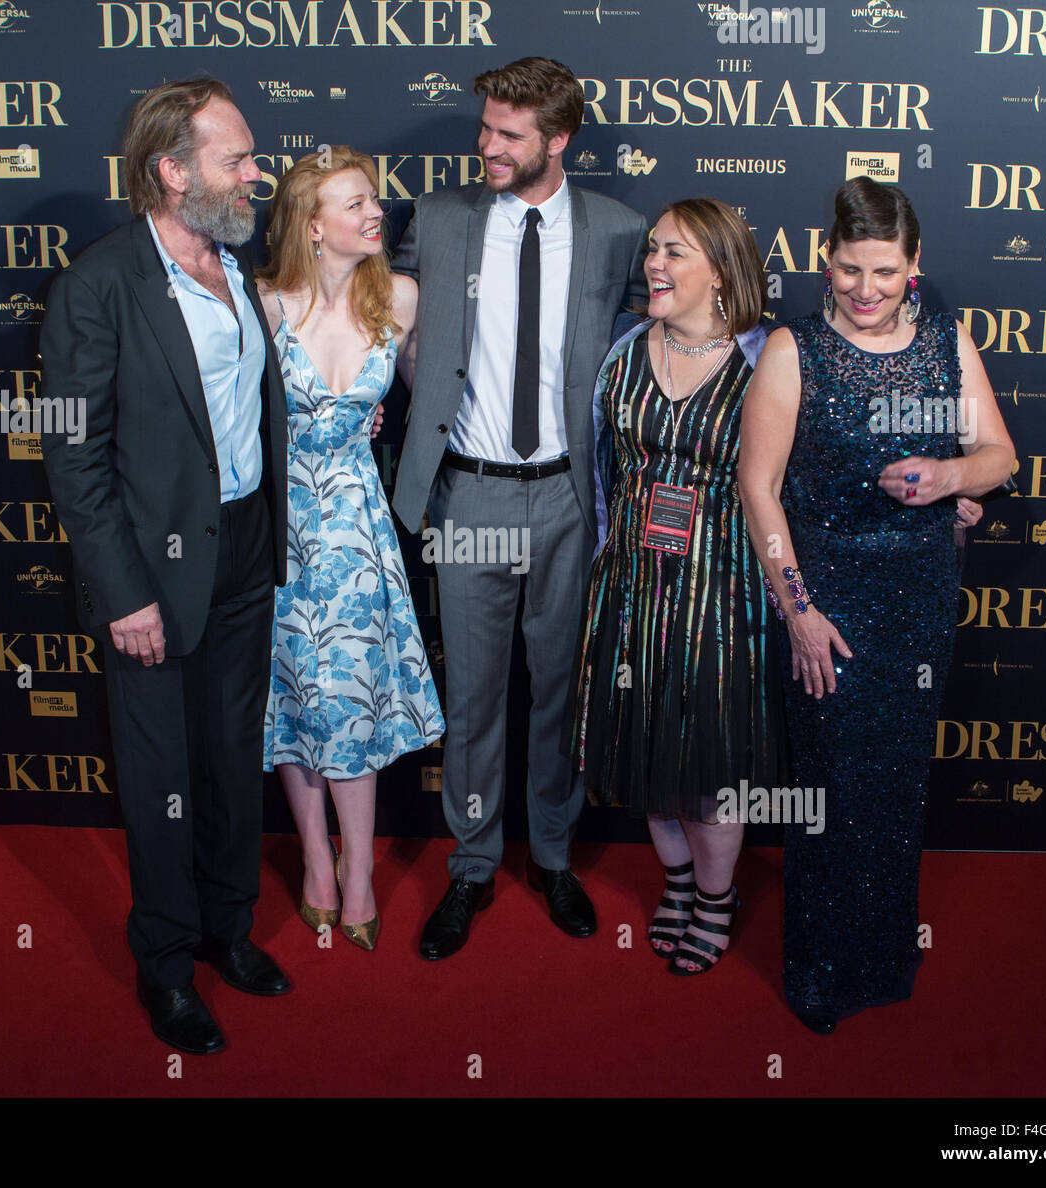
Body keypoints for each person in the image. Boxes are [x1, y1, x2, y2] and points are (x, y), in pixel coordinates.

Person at [40, 78, 291, 1056]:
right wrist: (122, 590)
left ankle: (230, 930)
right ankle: (167, 964)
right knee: (160, 779)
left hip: (241, 555)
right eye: (235, 158)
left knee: (231, 763)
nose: (253, 172)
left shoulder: (236, 270)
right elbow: (77, 457)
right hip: (153, 577)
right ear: (172, 171)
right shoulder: (100, 286)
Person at [739, 177, 1014, 1033]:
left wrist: (948, 476)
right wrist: (799, 611)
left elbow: (999, 453)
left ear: (914, 267)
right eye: (850, 268)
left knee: (895, 790)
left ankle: (885, 958)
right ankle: (823, 973)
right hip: (829, 609)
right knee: (831, 789)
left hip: (921, 602)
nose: (864, 288)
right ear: (827, 260)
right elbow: (759, 489)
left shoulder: (946, 342)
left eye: (884, 272)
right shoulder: (794, 352)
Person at [391, 57, 648, 960]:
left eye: (507, 135)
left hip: (572, 500)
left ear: (558, 140)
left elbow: (661, 350)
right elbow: (371, 312)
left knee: (560, 695)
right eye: (485, 129)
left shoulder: (620, 233)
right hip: (468, 492)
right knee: (473, 699)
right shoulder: (439, 220)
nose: (486, 147)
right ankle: (469, 866)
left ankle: (551, 855)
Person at [570, 198, 786, 975]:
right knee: (643, 752)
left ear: (722, 272)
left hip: (721, 597)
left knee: (710, 765)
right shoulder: (623, 352)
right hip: (630, 591)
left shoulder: (766, 361)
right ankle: (680, 880)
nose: (654, 263)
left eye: (676, 253)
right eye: (654, 249)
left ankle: (718, 900)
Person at [255, 147, 445, 952]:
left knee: (353, 710)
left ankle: (360, 869)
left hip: (360, 534)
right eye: (357, 202)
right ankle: (315, 864)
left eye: (376, 199)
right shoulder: (262, 304)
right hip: (279, 531)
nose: (377, 212)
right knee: (296, 704)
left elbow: (440, 401)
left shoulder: (398, 297)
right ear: (311, 224)